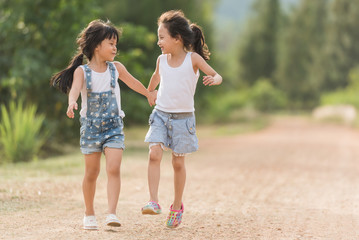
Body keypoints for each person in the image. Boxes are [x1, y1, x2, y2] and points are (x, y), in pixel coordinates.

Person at [51, 19, 157, 230]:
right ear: (97, 45)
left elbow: (133, 82)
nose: (115, 47)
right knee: (91, 173)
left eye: (116, 43)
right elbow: (75, 89)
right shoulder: (82, 71)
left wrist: (147, 93)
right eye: (111, 43)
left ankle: (111, 213)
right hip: (90, 128)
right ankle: (89, 213)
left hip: (113, 127)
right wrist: (72, 101)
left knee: (114, 168)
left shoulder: (116, 68)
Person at [141, 10, 222, 228]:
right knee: (154, 152)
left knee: (178, 163)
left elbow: (217, 75)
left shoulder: (192, 59)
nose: (159, 42)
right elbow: (156, 77)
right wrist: (150, 91)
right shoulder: (161, 59)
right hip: (161, 114)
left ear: (177, 38)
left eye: (162, 37)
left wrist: (214, 80)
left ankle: (177, 206)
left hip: (183, 119)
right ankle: (153, 201)